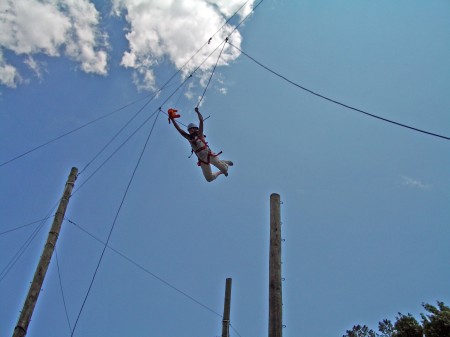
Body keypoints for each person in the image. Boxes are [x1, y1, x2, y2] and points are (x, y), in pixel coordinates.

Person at [169, 107, 233, 182]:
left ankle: (225, 163)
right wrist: (173, 120)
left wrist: (197, 112)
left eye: (193, 129)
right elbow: (180, 130)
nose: (191, 130)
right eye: (189, 130)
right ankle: (220, 172)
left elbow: (201, 121)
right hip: (202, 160)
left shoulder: (200, 134)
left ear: (196, 129)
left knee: (225, 169)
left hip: (209, 155)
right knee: (209, 179)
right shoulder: (189, 138)